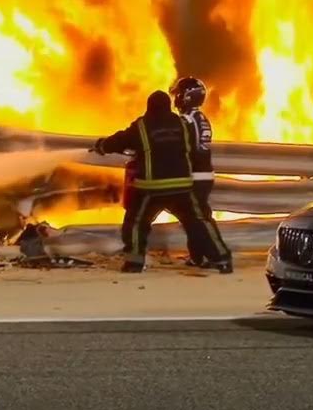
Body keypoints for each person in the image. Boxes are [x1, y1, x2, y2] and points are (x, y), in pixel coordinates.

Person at [92, 90, 232, 274]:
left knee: (136, 223)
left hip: (151, 188)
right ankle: (222, 259)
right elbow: (194, 148)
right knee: (199, 222)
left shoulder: (142, 126)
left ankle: (134, 263)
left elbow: (120, 140)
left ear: (149, 107)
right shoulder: (183, 125)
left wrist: (102, 146)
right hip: (182, 186)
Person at [171, 76, 233, 268]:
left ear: (186, 97)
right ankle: (197, 256)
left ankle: (221, 256)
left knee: (200, 218)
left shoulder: (186, 120)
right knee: (192, 218)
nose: (176, 98)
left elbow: (182, 148)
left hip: (194, 176)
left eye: (178, 94)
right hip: (202, 174)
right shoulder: (201, 118)